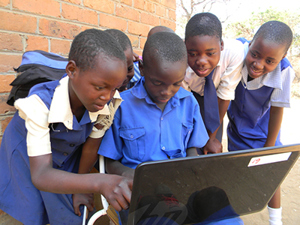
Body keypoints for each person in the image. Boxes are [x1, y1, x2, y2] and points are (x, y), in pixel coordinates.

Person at [0, 29, 132, 225]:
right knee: (31, 210)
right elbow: (41, 174)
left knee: (67, 213)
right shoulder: (39, 104)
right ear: (71, 70)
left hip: (64, 158)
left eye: (114, 88)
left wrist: (80, 186)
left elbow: (91, 147)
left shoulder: (107, 104)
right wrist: (99, 182)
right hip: (28, 159)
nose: (107, 97)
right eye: (99, 87)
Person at [99, 31, 209, 224]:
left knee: (220, 208)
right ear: (141, 67)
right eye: (157, 82)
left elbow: (193, 147)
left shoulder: (188, 102)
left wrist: (192, 170)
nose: (167, 91)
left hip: (179, 185)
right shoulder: (121, 106)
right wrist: (136, 177)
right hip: (140, 192)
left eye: (176, 83)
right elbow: (109, 162)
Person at [227, 21, 294, 225]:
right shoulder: (237, 52)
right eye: (255, 54)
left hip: (264, 132)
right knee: (234, 170)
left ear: (281, 59)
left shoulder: (284, 70)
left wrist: (269, 147)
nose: (258, 64)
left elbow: (277, 109)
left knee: (270, 174)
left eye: (269, 61)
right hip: (237, 128)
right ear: (251, 42)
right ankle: (230, 214)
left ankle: (275, 220)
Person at [72, 28, 137, 216]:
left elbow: (92, 146)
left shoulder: (112, 100)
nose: (123, 77)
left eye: (129, 68)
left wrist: (81, 186)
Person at [182, 12, 244, 154]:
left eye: (210, 54)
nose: (201, 62)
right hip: (190, 95)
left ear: (221, 45)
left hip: (216, 99)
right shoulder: (179, 56)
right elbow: (185, 102)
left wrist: (211, 138)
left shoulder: (234, 52)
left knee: (212, 147)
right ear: (185, 46)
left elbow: (224, 96)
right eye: (192, 54)